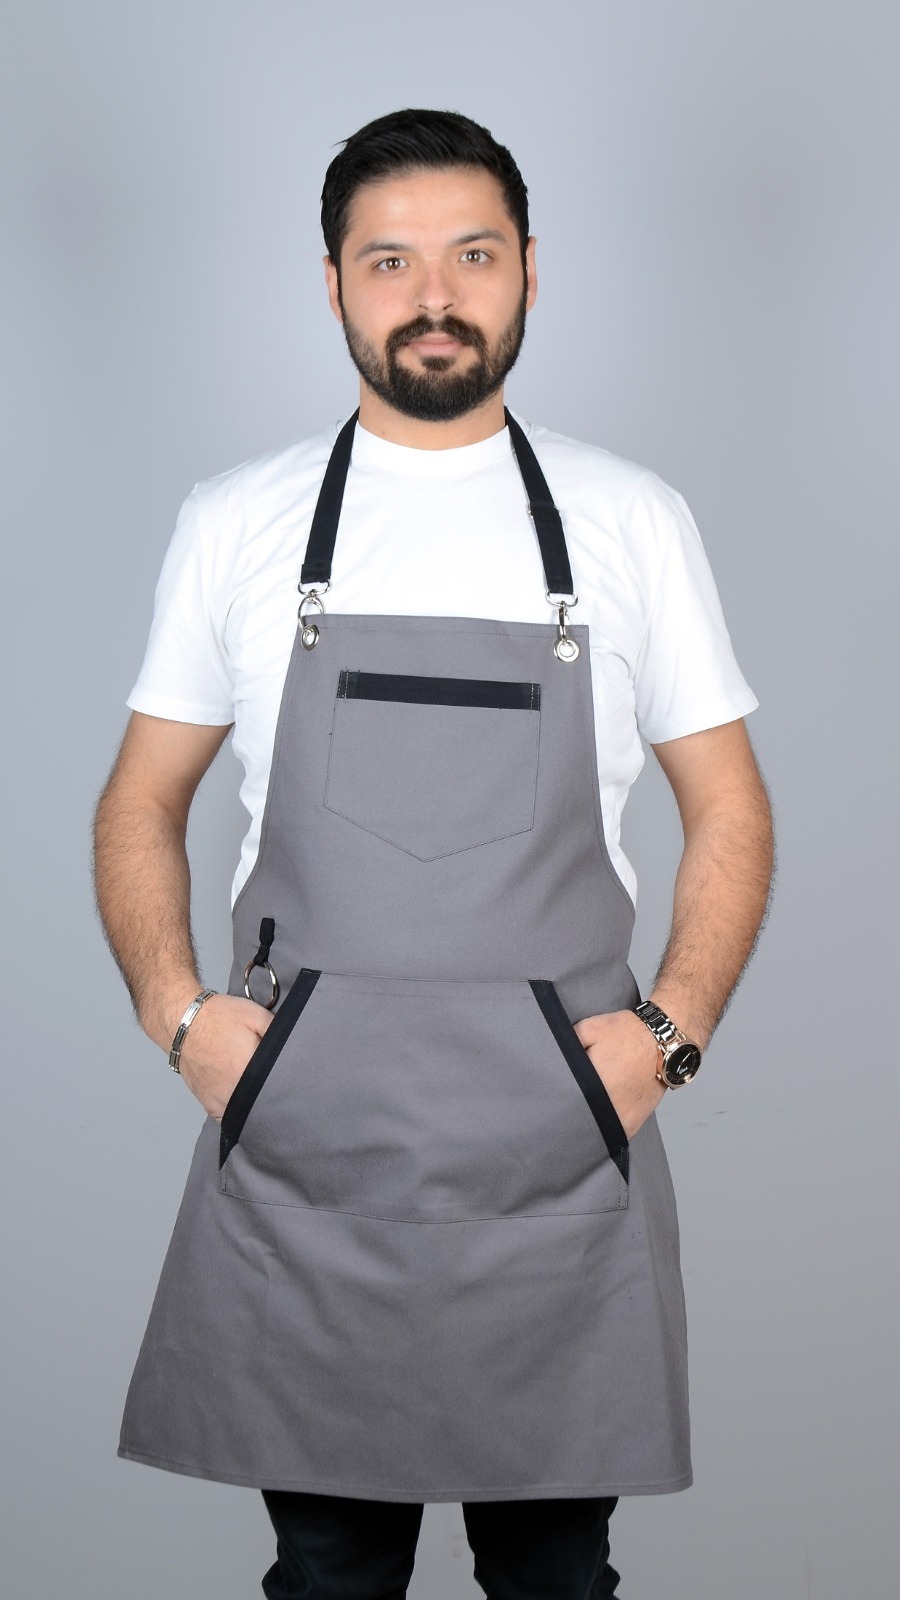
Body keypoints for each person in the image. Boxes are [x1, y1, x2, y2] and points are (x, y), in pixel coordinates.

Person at [93, 108, 773, 1600]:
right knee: (327, 1578)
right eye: (389, 261)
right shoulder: (240, 522)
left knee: (557, 1581)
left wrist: (670, 1035)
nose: (435, 295)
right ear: (333, 282)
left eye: (472, 254)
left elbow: (730, 805)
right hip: (309, 1153)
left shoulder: (629, 519)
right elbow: (140, 799)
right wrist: (180, 1018)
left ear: (528, 267)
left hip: (556, 1154)